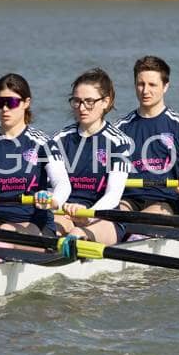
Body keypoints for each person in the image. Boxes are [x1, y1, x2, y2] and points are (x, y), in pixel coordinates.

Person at [0, 74, 71, 249]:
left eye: (11, 102)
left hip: (35, 223)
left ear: (26, 103)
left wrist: (54, 200)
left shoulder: (43, 143)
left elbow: (62, 183)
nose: (5, 109)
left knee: (2, 236)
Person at [115, 56, 179, 217]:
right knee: (116, 213)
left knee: (142, 218)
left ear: (165, 86)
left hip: (168, 202)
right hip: (128, 200)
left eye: (152, 85)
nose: (145, 91)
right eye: (140, 84)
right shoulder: (119, 129)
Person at [52, 69, 132, 245]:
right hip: (66, 212)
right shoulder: (58, 140)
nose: (81, 108)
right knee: (49, 233)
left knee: (76, 235)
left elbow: (113, 195)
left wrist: (88, 215)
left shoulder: (120, 143)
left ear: (105, 102)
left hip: (104, 217)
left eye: (89, 102)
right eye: (77, 101)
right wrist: (60, 206)